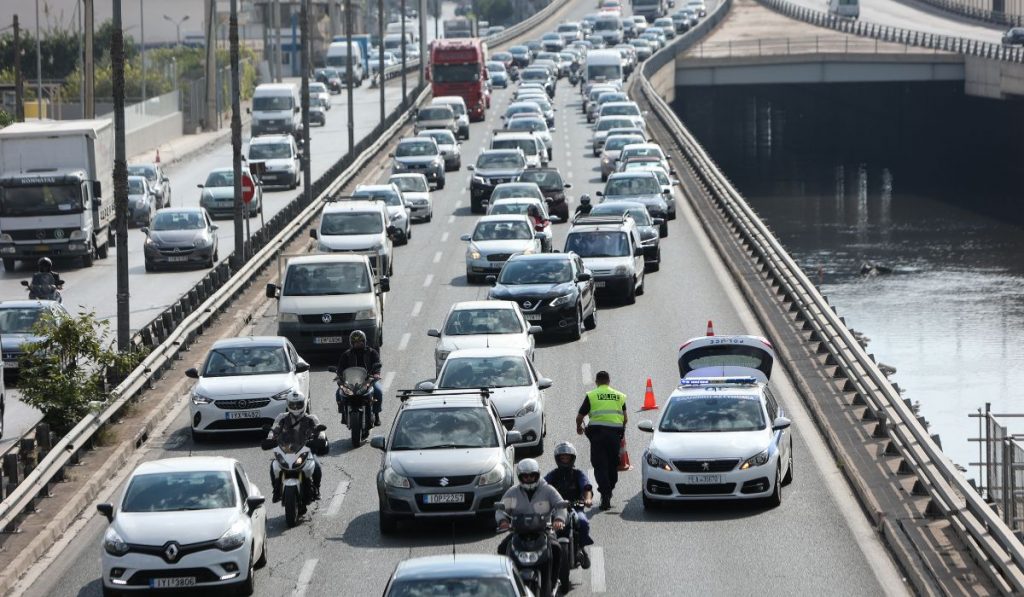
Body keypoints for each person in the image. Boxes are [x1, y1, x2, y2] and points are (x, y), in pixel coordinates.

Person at [496, 459, 567, 572]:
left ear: (537, 475)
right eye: (525, 476)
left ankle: (554, 581)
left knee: (556, 548)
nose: (529, 478)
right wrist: (503, 521)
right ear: (520, 476)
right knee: (502, 548)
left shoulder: (548, 490)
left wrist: (558, 519)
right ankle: (510, 580)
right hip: (518, 533)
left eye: (532, 476)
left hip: (544, 532)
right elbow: (501, 510)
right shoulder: (512, 492)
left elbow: (560, 505)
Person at [576, 370, 627, 510]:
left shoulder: (592, 395)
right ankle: (608, 489)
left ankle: (605, 493)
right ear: (609, 381)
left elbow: (580, 416)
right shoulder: (619, 396)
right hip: (614, 435)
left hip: (597, 435)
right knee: (612, 465)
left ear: (596, 382)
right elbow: (625, 418)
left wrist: (579, 427)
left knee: (600, 466)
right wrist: (621, 433)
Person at [266, 392, 325, 503]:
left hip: (306, 449)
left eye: (298, 404)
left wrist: (320, 437)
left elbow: (319, 429)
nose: (296, 407)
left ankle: (317, 488)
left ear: (303, 404)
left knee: (317, 465)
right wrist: (270, 438)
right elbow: (274, 429)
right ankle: (276, 490)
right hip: (286, 449)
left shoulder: (311, 418)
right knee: (273, 465)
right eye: (293, 405)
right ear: (288, 404)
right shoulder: (281, 418)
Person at [544, 442, 594, 568]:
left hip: (575, 506)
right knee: (544, 526)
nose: (565, 460)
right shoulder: (553, 474)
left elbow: (587, 487)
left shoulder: (578, 474)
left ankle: (581, 548)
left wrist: (587, 499)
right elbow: (542, 486)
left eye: (567, 457)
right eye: (562, 457)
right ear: (558, 458)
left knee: (583, 522)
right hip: (556, 508)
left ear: (572, 458)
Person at [336, 330, 383, 426]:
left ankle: (377, 415)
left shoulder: (372, 352)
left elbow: (377, 364)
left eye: (360, 342)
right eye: (355, 342)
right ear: (352, 343)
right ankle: (344, 414)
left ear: (364, 341)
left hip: (368, 379)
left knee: (378, 391)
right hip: (351, 381)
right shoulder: (346, 355)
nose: (358, 344)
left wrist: (376, 374)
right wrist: (339, 376)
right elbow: (340, 368)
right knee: (338, 393)